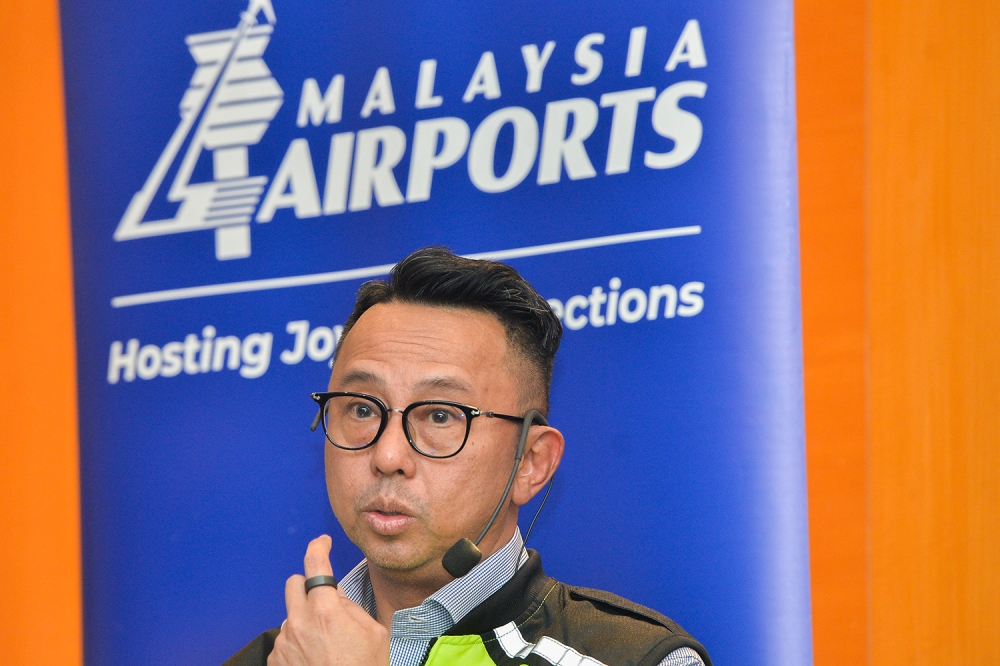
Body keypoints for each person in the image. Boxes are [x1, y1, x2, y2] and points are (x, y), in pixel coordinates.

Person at [224, 247, 711, 666]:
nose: (388, 455)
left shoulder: (638, 658)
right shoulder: (267, 658)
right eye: (362, 408)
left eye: (440, 416)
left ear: (531, 462)